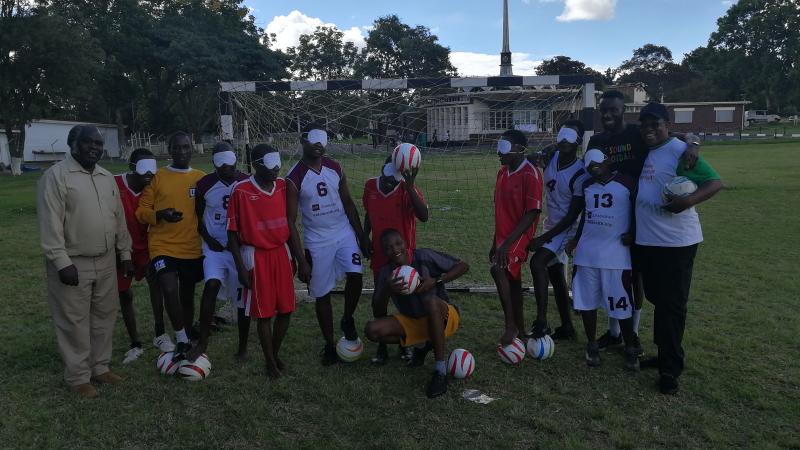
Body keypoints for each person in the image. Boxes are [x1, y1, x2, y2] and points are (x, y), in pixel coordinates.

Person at [587, 90, 702, 353]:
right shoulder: (596, 141)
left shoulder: (636, 134)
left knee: (634, 276)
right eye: (603, 110)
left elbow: (676, 138)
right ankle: (614, 331)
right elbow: (590, 169)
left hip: (638, 218)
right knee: (612, 274)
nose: (607, 115)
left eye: (613, 110)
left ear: (622, 110)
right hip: (607, 217)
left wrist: (694, 143)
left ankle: (634, 332)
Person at [634, 103, 722, 395]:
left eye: (655, 124)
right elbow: (689, 133)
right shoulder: (648, 148)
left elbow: (714, 182)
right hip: (648, 241)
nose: (649, 130)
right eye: (644, 124)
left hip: (676, 243)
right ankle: (664, 354)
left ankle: (670, 369)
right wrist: (692, 138)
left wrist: (688, 201)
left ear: (666, 125)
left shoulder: (678, 151)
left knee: (672, 305)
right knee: (657, 299)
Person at [38, 125, 132, 398]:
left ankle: (100, 367)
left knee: (104, 316)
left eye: (98, 143)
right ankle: (78, 377)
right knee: (74, 321)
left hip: (105, 261)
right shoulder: (56, 176)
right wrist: (60, 261)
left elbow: (118, 218)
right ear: (72, 143)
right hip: (72, 263)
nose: (94, 147)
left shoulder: (106, 177)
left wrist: (124, 253)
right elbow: (50, 222)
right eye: (88, 142)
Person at [286, 125, 369, 365]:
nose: (319, 145)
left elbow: (348, 203)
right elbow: (290, 222)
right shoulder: (293, 178)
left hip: (343, 233)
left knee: (356, 275)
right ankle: (329, 344)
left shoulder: (336, 168)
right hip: (317, 240)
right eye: (314, 141)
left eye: (323, 141)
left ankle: (347, 318)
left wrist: (361, 236)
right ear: (303, 142)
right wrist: (301, 259)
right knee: (321, 293)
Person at [227, 144, 306, 378]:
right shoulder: (240, 190)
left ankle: (274, 352)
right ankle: (270, 362)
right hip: (256, 255)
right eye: (270, 163)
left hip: (281, 253)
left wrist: (301, 261)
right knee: (263, 314)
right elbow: (231, 233)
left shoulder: (282, 186)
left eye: (278, 162)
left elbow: (291, 227)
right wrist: (241, 268)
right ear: (256, 164)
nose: (276, 168)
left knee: (286, 310)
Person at [365, 229, 469, 398]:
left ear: (405, 242)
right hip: (414, 320)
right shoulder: (387, 272)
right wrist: (387, 289)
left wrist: (436, 281)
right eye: (389, 247)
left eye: (398, 243)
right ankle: (423, 344)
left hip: (445, 316)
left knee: (430, 302)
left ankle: (440, 370)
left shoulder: (424, 256)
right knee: (372, 330)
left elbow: (463, 265)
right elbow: (378, 311)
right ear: (384, 252)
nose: (395, 249)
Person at [136, 132, 205, 361]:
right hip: (162, 245)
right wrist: (160, 214)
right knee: (168, 287)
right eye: (177, 148)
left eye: (186, 147)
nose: (182, 152)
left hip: (191, 246)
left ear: (192, 149)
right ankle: (182, 339)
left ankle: (186, 330)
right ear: (169, 149)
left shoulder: (200, 178)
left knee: (186, 295)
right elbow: (141, 212)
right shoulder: (158, 177)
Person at [568, 149, 639, 370]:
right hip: (587, 254)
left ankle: (630, 346)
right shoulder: (587, 185)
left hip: (616, 255)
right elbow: (585, 216)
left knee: (621, 305)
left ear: (608, 161)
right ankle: (591, 345)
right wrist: (576, 240)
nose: (594, 170)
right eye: (590, 167)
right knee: (587, 302)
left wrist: (634, 233)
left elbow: (638, 212)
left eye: (597, 165)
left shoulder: (628, 183)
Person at [363, 155, 429, 364]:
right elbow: (368, 213)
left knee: (405, 300)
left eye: (397, 178)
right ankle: (382, 344)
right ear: (382, 169)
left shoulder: (406, 187)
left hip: (403, 257)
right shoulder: (370, 186)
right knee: (379, 301)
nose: (392, 181)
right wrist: (365, 237)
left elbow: (424, 215)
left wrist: (409, 187)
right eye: (389, 176)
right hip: (380, 255)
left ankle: (404, 342)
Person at [187, 143, 249, 362]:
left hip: (239, 249)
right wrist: (208, 239)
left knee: (242, 296)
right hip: (215, 247)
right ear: (214, 163)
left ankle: (243, 346)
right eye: (221, 163)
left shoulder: (245, 181)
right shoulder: (204, 184)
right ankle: (202, 342)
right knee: (211, 284)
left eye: (230, 162)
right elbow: (197, 216)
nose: (227, 167)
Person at [527, 120, 589, 340]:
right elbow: (531, 158)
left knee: (537, 262)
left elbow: (572, 216)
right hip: (552, 224)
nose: (564, 141)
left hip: (567, 229)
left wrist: (542, 238)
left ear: (578, 142)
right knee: (555, 275)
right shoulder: (551, 156)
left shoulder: (580, 173)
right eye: (561, 135)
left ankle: (541, 321)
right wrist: (536, 156)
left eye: (570, 137)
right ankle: (567, 327)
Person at [490, 129, 543, 346]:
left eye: (504, 147)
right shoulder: (502, 173)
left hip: (519, 235)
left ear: (520, 150)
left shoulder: (531, 174)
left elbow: (532, 213)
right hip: (504, 237)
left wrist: (508, 243)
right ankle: (521, 331)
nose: (499, 153)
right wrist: (495, 242)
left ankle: (510, 326)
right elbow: (501, 211)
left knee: (498, 269)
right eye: (499, 147)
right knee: (513, 283)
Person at [115, 148, 165, 364]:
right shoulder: (113, 184)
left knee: (157, 283)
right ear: (132, 168)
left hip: (147, 246)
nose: (150, 174)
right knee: (124, 294)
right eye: (144, 168)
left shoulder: (154, 185)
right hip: (120, 248)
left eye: (153, 168)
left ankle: (160, 333)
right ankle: (135, 343)